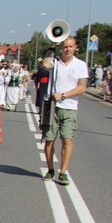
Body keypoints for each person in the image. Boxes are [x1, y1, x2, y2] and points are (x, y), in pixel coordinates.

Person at [42, 36, 88, 186]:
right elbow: (45, 65)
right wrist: (52, 47)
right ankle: (50, 170)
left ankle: (63, 172)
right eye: (65, 47)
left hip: (69, 107)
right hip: (52, 106)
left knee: (67, 140)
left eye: (70, 47)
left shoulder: (80, 65)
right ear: (61, 48)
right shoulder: (55, 62)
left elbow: (82, 87)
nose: (67, 49)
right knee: (49, 139)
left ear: (75, 48)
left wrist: (64, 95)